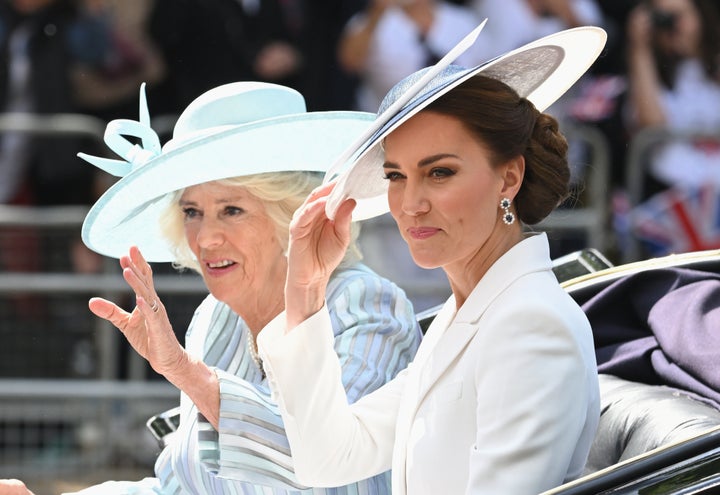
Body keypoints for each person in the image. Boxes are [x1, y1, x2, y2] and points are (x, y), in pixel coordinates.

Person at [0, 82, 422, 494]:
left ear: (291, 215)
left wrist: (185, 371)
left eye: (231, 210)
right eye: (192, 212)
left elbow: (323, 462)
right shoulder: (215, 318)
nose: (205, 238)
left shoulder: (363, 304)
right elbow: (179, 486)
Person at [254, 25, 607, 494]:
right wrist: (305, 289)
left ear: (508, 179)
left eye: (439, 172)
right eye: (396, 175)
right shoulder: (469, 312)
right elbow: (330, 458)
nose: (410, 203)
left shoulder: (530, 322)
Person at [337, 0, 485, 112]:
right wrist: (377, 12)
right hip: (383, 125)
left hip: (453, 119)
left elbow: (485, 73)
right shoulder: (372, 20)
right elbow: (349, 62)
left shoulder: (462, 20)